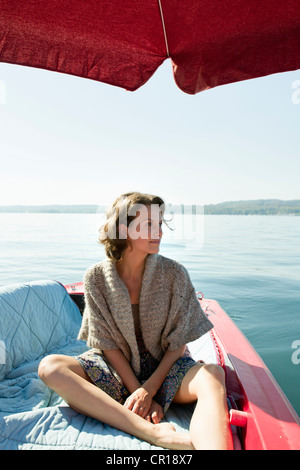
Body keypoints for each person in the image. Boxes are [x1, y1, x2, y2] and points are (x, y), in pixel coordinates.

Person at [38, 192, 233, 450]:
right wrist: (136, 391)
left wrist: (148, 390)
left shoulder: (174, 274)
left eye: (160, 224)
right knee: (50, 367)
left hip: (167, 372)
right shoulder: (96, 278)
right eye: (149, 224)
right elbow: (107, 345)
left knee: (212, 374)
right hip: (116, 372)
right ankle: (151, 433)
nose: (159, 231)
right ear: (124, 229)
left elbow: (178, 343)